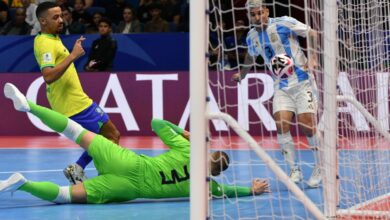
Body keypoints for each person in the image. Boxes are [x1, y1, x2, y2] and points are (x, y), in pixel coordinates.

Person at [1, 83, 270, 204]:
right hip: (128, 188)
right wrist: (252, 189)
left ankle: (29, 106)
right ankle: (24, 184)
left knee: (76, 131)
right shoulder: (207, 186)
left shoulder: (191, 149)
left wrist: (185, 133)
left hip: (128, 162)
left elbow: (156, 123)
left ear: (207, 153)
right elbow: (233, 191)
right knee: (64, 196)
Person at [231, 0, 322, 187]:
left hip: (303, 81)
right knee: (281, 123)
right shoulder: (251, 36)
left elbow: (312, 34)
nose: (258, 17)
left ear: (266, 11)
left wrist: (312, 58)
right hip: (281, 86)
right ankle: (294, 170)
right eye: (253, 15)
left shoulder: (284, 22)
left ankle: (321, 165)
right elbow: (250, 56)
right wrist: (242, 74)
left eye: (260, 13)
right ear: (248, 16)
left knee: (307, 124)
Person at [33, 2, 120, 185]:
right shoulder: (45, 43)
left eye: (61, 15)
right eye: (55, 17)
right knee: (111, 136)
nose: (61, 20)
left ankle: (79, 169)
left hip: (76, 102)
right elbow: (48, 76)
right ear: (42, 20)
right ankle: (108, 178)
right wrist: (73, 56)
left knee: (106, 138)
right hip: (74, 105)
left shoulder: (53, 39)